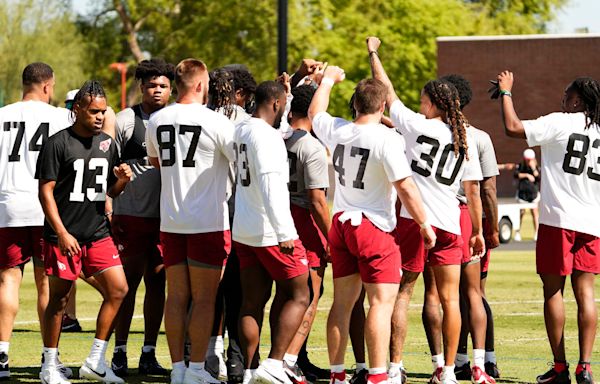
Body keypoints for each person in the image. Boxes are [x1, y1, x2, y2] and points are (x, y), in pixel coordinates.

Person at [308, 64, 436, 384]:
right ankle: (379, 375)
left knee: (341, 304)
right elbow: (405, 186)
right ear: (382, 106)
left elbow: (315, 112)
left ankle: (338, 373)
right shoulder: (386, 138)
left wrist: (326, 81)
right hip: (374, 226)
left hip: (342, 223)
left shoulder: (338, 129)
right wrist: (424, 223)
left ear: (355, 104)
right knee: (380, 303)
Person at [368, 36, 484, 384]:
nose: (419, 106)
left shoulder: (419, 125)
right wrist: (477, 230)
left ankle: (394, 367)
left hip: (415, 221)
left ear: (434, 103)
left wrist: (374, 52)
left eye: (423, 101)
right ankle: (448, 370)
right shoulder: (466, 134)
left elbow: (385, 90)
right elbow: (473, 190)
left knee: (402, 293)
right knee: (451, 300)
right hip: (451, 223)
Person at [496, 72, 600, 384]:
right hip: (593, 221)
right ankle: (586, 367)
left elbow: (513, 128)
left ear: (577, 100)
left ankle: (559, 369)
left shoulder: (562, 121)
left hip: (558, 219)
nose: (562, 101)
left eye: (566, 96)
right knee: (586, 293)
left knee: (553, 291)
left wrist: (506, 93)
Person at [145, 58, 235, 384]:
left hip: (170, 221)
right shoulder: (217, 122)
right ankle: (197, 369)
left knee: (176, 297)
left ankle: (178, 369)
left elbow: (155, 161)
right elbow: (239, 162)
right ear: (199, 85)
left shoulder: (156, 119)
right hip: (207, 222)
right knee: (205, 299)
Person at [36, 80, 132, 384]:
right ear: (76, 109)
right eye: (93, 111)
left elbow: (109, 192)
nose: (100, 117)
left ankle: (94, 360)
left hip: (97, 232)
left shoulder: (108, 143)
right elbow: (45, 192)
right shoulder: (57, 143)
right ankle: (49, 365)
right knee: (60, 301)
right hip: (64, 235)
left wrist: (122, 180)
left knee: (119, 290)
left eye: (103, 111)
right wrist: (62, 233)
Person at [232, 81, 310, 384]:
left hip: (245, 227)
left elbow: (274, 122)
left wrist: (287, 95)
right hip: (269, 230)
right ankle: (275, 363)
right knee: (301, 293)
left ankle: (251, 370)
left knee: (252, 300)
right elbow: (269, 185)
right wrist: (285, 232)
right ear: (275, 104)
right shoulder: (266, 136)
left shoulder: (243, 129)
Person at [0, 62, 73, 381]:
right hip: (47, 209)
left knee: (8, 281)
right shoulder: (60, 117)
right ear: (47, 86)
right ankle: (49, 360)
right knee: (47, 284)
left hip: (8, 207)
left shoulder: (1, 115)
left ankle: (1, 355)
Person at [429, 74, 500, 383]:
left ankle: (443, 364)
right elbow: (487, 191)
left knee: (436, 295)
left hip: (435, 214)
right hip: (466, 217)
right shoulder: (479, 137)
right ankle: (481, 364)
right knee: (473, 293)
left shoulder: (425, 132)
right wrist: (489, 228)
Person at [109, 58, 175, 377]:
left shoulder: (177, 120)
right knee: (127, 285)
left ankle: (148, 353)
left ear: (172, 88)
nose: (158, 90)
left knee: (158, 283)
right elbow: (107, 164)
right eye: (152, 85)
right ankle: (119, 352)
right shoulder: (125, 120)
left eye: (163, 86)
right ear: (141, 87)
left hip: (166, 217)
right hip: (130, 216)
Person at [282, 85, 330, 384]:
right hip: (304, 220)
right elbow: (317, 200)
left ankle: (294, 358)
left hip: (281, 216)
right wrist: (332, 237)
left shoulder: (280, 139)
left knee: (287, 296)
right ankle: (287, 359)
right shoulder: (310, 146)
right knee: (310, 294)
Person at [513, 148, 540, 242]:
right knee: (521, 213)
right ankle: (517, 233)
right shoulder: (520, 166)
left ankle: (537, 233)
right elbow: (516, 175)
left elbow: (538, 177)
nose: (528, 161)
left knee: (535, 213)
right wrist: (527, 175)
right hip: (522, 194)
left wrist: (533, 169)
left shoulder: (536, 167)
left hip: (533, 194)